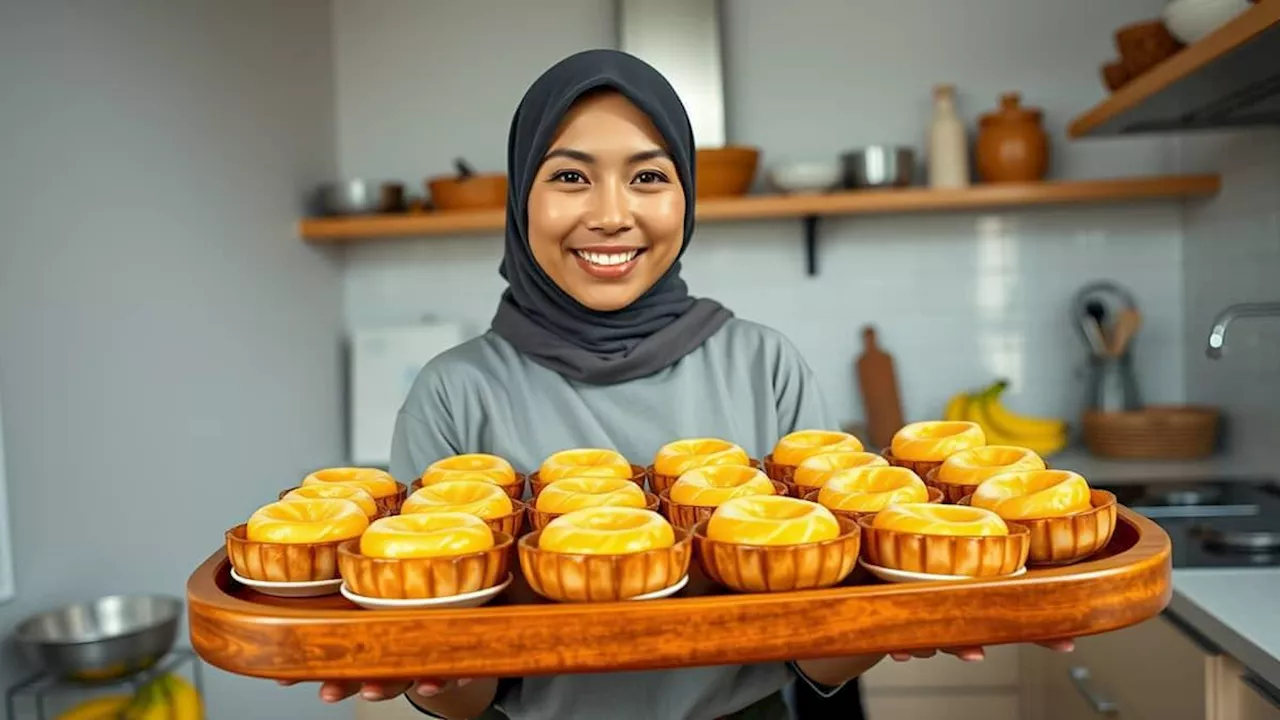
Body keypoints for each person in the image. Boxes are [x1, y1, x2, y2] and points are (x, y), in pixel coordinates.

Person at [285, 48, 1071, 719]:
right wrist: (430, 674)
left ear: (686, 197)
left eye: (648, 177)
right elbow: (461, 684)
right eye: (570, 176)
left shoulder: (763, 366)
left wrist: (882, 625)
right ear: (522, 193)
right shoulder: (455, 391)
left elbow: (813, 648)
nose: (612, 215)